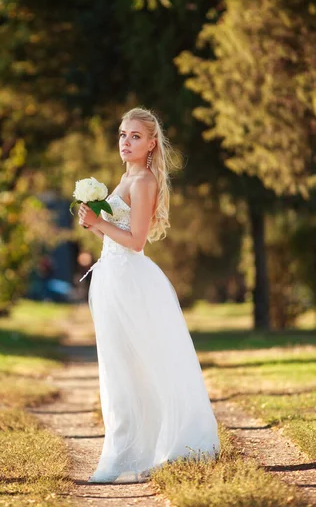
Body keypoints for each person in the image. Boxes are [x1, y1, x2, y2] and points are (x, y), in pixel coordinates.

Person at [77, 107, 220, 484]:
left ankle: (166, 444)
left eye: (135, 136)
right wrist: (94, 225)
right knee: (118, 368)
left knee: (145, 365)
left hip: (131, 282)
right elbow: (115, 238)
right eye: (123, 135)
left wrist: (100, 222)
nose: (126, 142)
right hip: (111, 278)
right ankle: (126, 449)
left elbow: (136, 242)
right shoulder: (126, 177)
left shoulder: (142, 182)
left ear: (152, 143)